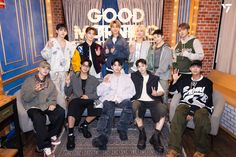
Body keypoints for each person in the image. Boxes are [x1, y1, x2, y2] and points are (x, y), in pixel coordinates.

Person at [166, 60, 213, 157]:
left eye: (198, 67)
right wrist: (174, 80)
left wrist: (192, 112)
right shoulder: (185, 80)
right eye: (193, 67)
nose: (195, 69)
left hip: (201, 106)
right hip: (185, 104)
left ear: (201, 69)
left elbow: (205, 98)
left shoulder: (207, 82)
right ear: (190, 69)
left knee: (201, 117)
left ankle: (201, 150)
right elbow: (172, 92)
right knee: (178, 115)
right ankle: (173, 149)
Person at [21, 61, 65, 157]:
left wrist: (53, 103)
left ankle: (52, 135)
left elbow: (53, 94)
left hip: (45, 105)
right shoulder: (29, 81)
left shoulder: (49, 82)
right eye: (43, 67)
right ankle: (46, 147)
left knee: (61, 112)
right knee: (39, 118)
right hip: (33, 106)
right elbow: (25, 98)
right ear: (38, 69)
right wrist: (35, 91)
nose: (45, 70)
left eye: (48, 68)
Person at [92, 58, 135, 150]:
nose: (116, 67)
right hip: (109, 99)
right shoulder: (108, 76)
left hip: (122, 100)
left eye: (119, 65)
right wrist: (105, 84)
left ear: (121, 66)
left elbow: (132, 92)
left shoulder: (127, 77)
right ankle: (104, 136)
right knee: (107, 108)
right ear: (112, 67)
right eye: (114, 65)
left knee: (128, 104)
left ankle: (122, 129)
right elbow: (99, 92)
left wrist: (121, 97)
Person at [131, 59, 167, 153]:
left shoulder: (154, 78)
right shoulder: (133, 76)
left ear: (146, 66)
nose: (141, 68)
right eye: (139, 66)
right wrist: (109, 76)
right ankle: (142, 134)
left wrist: (157, 94)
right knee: (135, 106)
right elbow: (121, 76)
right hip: (140, 100)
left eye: (142, 66)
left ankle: (155, 136)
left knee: (163, 110)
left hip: (153, 100)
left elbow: (162, 91)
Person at [65, 59, 102, 150]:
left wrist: (88, 96)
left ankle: (84, 125)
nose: (85, 67)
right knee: (72, 108)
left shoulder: (93, 79)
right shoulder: (73, 77)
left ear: (89, 68)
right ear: (80, 66)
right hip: (77, 99)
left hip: (89, 99)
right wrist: (68, 84)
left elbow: (98, 93)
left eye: (87, 66)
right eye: (84, 65)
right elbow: (68, 93)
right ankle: (70, 135)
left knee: (98, 108)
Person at [41, 23, 75, 107]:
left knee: (64, 95)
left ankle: (63, 115)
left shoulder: (70, 45)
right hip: (54, 73)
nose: (63, 32)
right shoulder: (52, 42)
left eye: (64, 30)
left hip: (64, 73)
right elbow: (44, 56)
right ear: (57, 31)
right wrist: (48, 47)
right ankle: (59, 114)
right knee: (55, 95)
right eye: (61, 30)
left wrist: (69, 73)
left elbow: (71, 60)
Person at [147, 29, 173, 105]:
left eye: (158, 36)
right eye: (154, 37)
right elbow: (149, 60)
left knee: (163, 94)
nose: (156, 39)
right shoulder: (153, 48)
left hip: (163, 75)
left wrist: (157, 73)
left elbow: (165, 64)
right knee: (154, 93)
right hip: (153, 73)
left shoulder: (167, 48)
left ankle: (164, 114)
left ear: (162, 37)